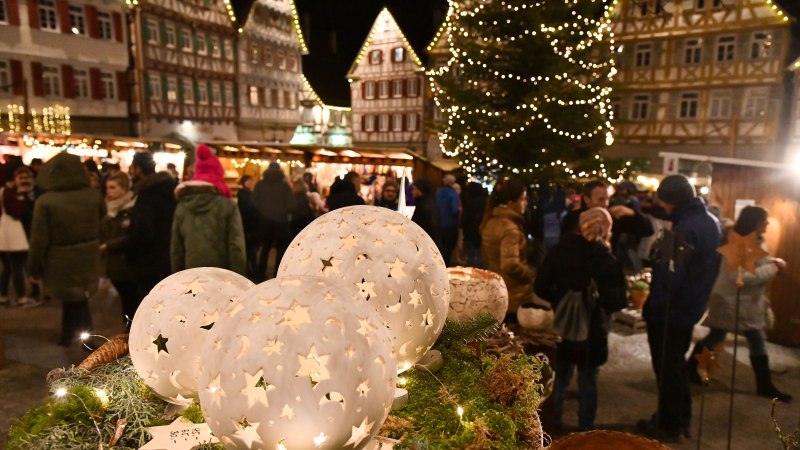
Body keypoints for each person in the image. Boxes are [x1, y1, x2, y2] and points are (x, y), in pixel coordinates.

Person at [637, 175, 721, 442]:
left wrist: (653, 308)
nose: (661, 205)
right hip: (690, 306)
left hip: (671, 312)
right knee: (676, 366)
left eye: (663, 201)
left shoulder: (684, 229)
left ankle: (669, 425)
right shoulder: (709, 221)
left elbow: (670, 276)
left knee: (667, 369)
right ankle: (679, 419)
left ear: (671, 201)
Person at [534, 207, 626, 431]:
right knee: (588, 378)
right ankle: (586, 429)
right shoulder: (606, 259)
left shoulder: (559, 251)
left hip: (562, 325)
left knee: (559, 375)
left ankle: (552, 423)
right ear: (604, 230)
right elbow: (617, 301)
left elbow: (541, 287)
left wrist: (561, 299)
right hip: (593, 330)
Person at [687, 206, 792, 402]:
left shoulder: (754, 241)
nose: (767, 223)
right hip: (732, 302)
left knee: (718, 336)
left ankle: (690, 368)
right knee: (752, 339)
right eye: (764, 220)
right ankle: (764, 384)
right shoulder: (738, 244)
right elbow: (741, 277)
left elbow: (755, 263)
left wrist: (772, 262)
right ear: (755, 223)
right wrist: (773, 268)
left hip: (742, 302)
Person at [28, 153, 104, 346]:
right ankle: (70, 334)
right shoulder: (93, 196)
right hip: (88, 254)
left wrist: (33, 269)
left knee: (73, 298)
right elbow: (103, 222)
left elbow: (38, 240)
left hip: (60, 258)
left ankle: (86, 339)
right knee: (78, 296)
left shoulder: (46, 201)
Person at [171, 144, 245, 275]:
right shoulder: (228, 206)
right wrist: (239, 279)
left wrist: (178, 278)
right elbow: (236, 247)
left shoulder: (182, 206)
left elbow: (176, 250)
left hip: (190, 275)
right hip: (222, 275)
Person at [480, 178, 535, 322]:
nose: (526, 203)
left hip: (497, 289)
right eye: (522, 199)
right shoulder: (510, 229)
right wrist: (529, 273)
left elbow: (486, 256)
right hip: (514, 295)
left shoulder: (491, 221)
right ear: (511, 203)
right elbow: (510, 264)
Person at [127, 151, 178, 298]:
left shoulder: (147, 195)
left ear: (138, 169)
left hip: (149, 264)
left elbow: (142, 233)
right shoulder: (171, 190)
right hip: (169, 259)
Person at [582, 180, 654, 271]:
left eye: (607, 199)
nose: (605, 204)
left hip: (607, 272)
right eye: (601, 199)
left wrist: (632, 213)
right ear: (587, 199)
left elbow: (647, 230)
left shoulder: (613, 217)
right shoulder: (573, 219)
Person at [99, 173, 140, 325]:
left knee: (131, 302)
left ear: (124, 189)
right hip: (114, 264)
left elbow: (131, 237)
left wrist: (108, 245)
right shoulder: (109, 208)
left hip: (126, 264)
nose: (108, 191)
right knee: (127, 302)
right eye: (107, 188)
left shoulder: (131, 209)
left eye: (113, 187)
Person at [0, 166, 38, 307]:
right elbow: (16, 212)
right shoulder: (10, 193)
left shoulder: (35, 193)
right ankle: (21, 297)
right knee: (16, 267)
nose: (24, 181)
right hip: (15, 236)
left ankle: (4, 297)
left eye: (27, 178)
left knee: (9, 268)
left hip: (11, 236)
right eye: (21, 178)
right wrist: (21, 199)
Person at [252, 162, 295, 281]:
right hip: (281, 223)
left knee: (265, 249)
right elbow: (291, 205)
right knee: (281, 250)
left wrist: (262, 212)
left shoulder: (260, 185)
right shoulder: (284, 186)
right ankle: (277, 275)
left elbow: (253, 202)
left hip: (264, 222)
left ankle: (260, 275)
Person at [237, 175, 260, 280]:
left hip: (251, 226)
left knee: (250, 251)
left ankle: (251, 272)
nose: (250, 182)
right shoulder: (243, 194)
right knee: (250, 251)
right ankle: (252, 272)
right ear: (244, 182)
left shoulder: (249, 193)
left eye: (251, 180)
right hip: (248, 226)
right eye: (248, 181)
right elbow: (247, 210)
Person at [436, 174, 460, 267]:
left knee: (439, 248)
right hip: (450, 225)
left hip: (438, 223)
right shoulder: (453, 194)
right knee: (448, 249)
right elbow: (455, 210)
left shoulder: (438, 192)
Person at [461, 181, 487, 268]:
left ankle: (472, 272)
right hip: (482, 232)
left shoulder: (469, 202)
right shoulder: (486, 202)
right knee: (481, 256)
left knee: (471, 255)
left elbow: (465, 219)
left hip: (470, 233)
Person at [411, 178, 441, 248]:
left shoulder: (421, 206)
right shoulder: (432, 203)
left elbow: (419, 228)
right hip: (434, 243)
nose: (412, 191)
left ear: (421, 191)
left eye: (415, 189)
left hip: (425, 244)